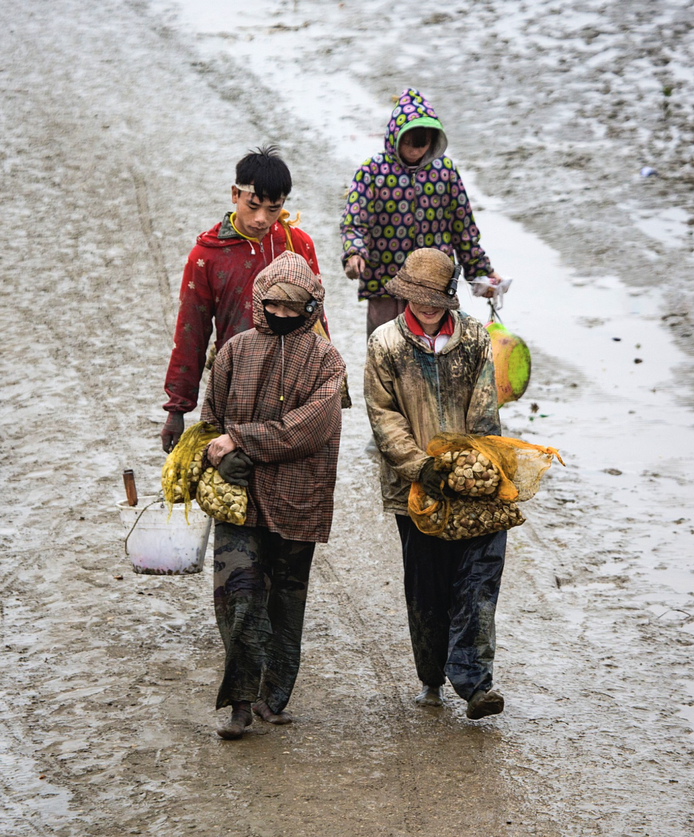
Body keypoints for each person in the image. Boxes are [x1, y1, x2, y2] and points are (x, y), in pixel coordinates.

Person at [201, 250, 346, 740]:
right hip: (239, 502)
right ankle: (240, 704)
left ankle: (274, 696)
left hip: (299, 501)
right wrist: (218, 456)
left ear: (311, 307)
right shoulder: (234, 352)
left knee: (286, 601)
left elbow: (308, 430)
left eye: (293, 307)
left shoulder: (327, 360)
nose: (282, 314)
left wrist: (241, 440)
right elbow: (210, 423)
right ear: (260, 301)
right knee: (238, 598)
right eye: (274, 305)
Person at [364, 247, 506, 720]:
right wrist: (420, 467)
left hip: (472, 481)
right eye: (417, 297)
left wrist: (474, 468)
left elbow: (484, 408)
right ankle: (431, 678)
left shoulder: (475, 337)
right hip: (414, 488)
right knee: (427, 586)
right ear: (404, 293)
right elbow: (383, 416)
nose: (426, 307)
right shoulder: (386, 343)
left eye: (435, 299)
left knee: (477, 582)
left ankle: (475, 684)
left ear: (449, 296)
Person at [161, 145, 323, 453]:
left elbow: (317, 316)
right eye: (253, 205)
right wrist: (177, 409)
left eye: (273, 209)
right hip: (238, 384)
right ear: (235, 194)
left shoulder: (296, 243)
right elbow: (191, 332)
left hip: (295, 383)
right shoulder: (206, 256)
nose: (261, 219)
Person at [340, 87, 504, 339]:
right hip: (385, 284)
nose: (415, 152)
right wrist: (354, 252)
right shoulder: (372, 172)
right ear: (395, 137)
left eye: (422, 145)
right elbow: (355, 222)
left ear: (432, 140)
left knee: (437, 351)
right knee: (386, 348)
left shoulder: (445, 172)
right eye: (408, 144)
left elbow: (463, 230)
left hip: (434, 286)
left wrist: (481, 271)